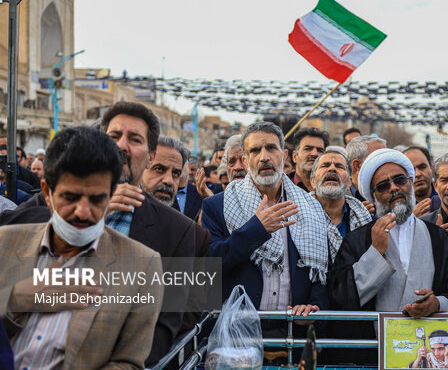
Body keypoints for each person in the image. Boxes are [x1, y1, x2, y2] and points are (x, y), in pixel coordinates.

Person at [0, 126, 164, 369]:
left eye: (97, 199)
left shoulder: (142, 264)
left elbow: (128, 363)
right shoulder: (5, 243)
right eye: (70, 197)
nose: (83, 212)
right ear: (47, 193)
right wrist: (15, 298)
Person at [327, 149, 448, 364]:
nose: (394, 188)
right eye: (383, 186)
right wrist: (375, 252)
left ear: (410, 182)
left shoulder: (440, 238)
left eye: (399, 180)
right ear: (373, 196)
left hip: (429, 354)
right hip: (373, 354)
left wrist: (437, 304)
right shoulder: (357, 240)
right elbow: (339, 295)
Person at [202, 122, 329, 318]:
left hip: (293, 332)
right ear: (245, 161)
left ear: (284, 156)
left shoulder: (310, 206)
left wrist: (313, 305)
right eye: (255, 151)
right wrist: (256, 230)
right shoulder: (218, 205)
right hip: (238, 333)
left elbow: (320, 270)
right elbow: (208, 265)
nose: (264, 157)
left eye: (271, 148)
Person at [309, 150, 372, 263]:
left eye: (339, 166)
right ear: (312, 181)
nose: (332, 169)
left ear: (349, 183)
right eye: (325, 165)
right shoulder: (296, 216)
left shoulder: (363, 218)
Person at [142, 136, 188, 207]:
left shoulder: (177, 217)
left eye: (175, 173)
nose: (169, 181)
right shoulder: (121, 212)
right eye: (159, 169)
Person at [345, 135, 386, 210]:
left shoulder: (392, 189)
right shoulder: (338, 199)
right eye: (379, 159)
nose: (386, 164)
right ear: (357, 165)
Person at [289, 127, 330, 192]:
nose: (314, 154)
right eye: (308, 149)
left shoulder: (333, 187)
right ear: (294, 156)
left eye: (320, 150)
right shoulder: (281, 188)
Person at [403, 146, 438, 217]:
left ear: (431, 167)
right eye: (411, 171)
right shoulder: (398, 206)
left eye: (422, 167)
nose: (417, 174)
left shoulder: (445, 196)